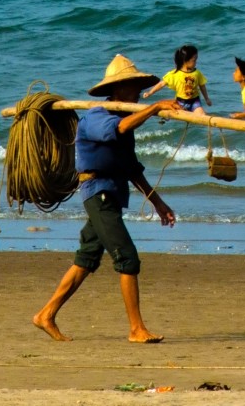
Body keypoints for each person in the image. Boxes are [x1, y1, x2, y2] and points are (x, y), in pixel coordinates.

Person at [34, 55, 177, 343]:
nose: (137, 92)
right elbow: (117, 130)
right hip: (97, 193)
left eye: (139, 88)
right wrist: (155, 107)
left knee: (87, 258)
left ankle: (46, 314)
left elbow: (132, 169)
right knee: (127, 257)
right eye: (133, 87)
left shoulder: (125, 121)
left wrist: (158, 203)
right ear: (119, 89)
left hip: (110, 195)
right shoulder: (97, 117)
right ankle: (136, 329)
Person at [145, 43, 210, 112]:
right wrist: (150, 93)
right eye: (194, 60)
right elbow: (161, 84)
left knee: (201, 115)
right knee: (183, 116)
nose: (196, 62)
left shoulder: (197, 73)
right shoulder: (175, 74)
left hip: (195, 101)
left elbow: (202, 86)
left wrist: (207, 99)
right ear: (185, 60)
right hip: (181, 103)